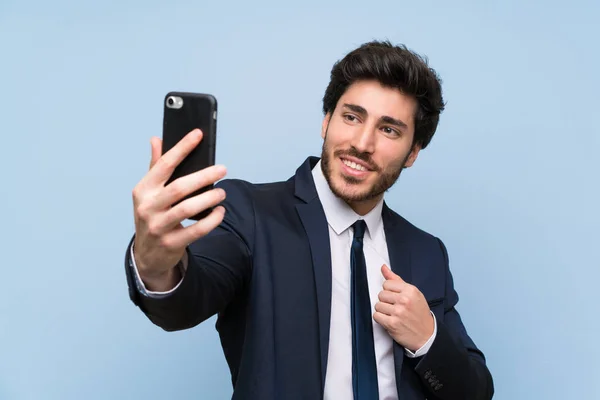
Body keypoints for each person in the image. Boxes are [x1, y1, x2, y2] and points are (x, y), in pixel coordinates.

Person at [124, 40, 494, 400]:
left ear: (413, 152)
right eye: (351, 117)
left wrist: (426, 337)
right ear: (326, 121)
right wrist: (156, 262)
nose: (362, 143)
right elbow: (184, 303)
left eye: (389, 129)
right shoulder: (249, 212)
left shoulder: (426, 252)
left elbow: (475, 391)